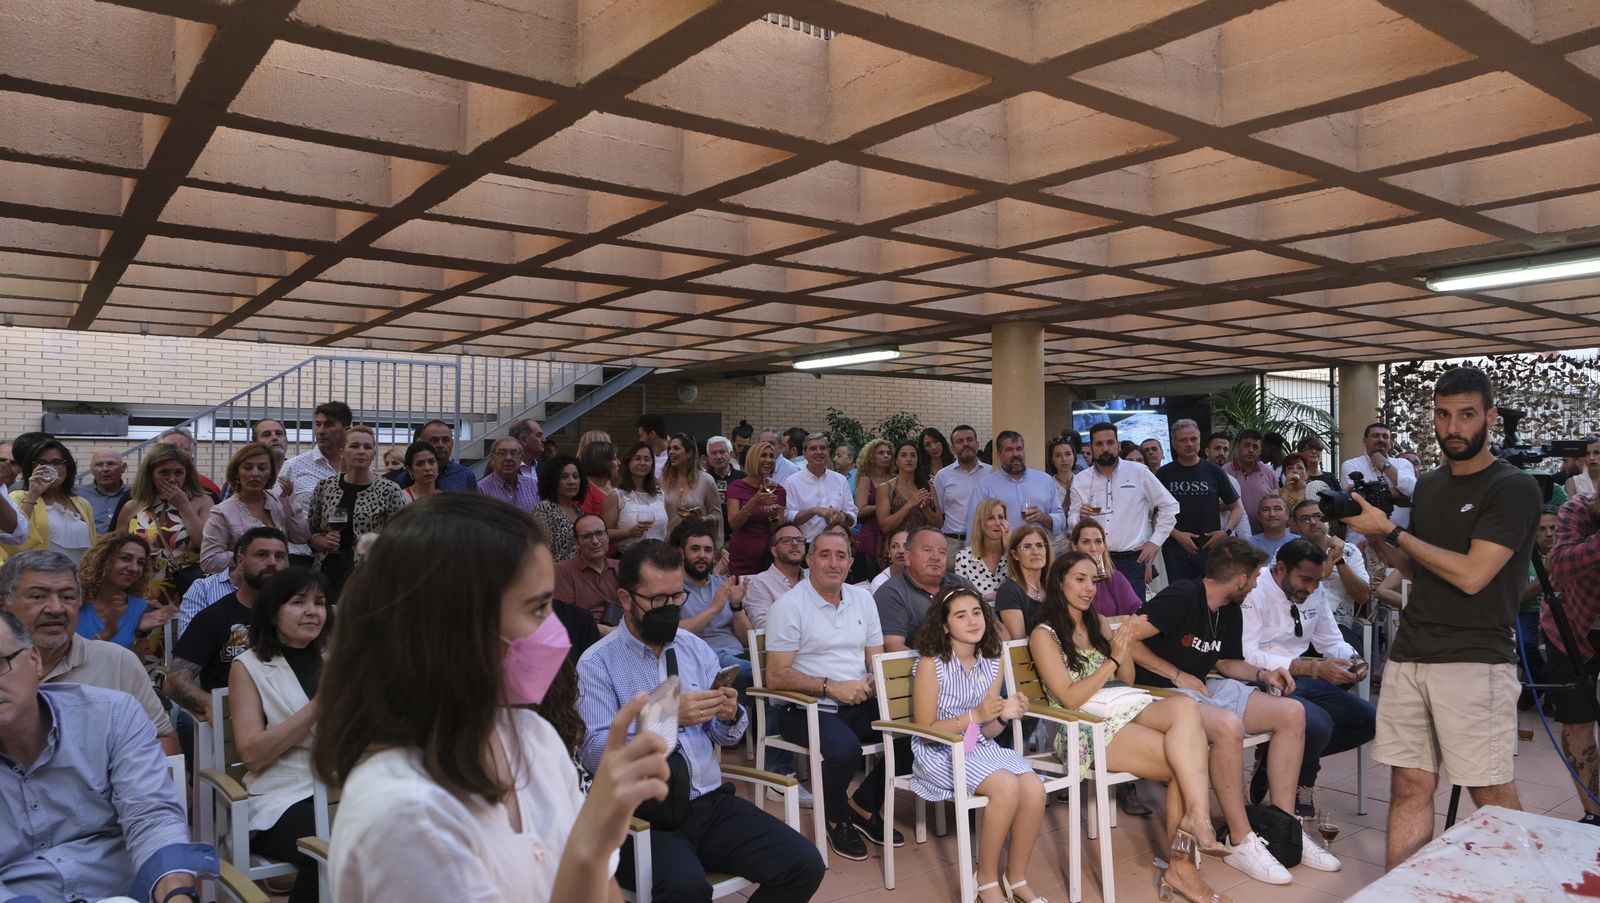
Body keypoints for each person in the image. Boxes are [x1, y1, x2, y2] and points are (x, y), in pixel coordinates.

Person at [315, 493, 673, 901]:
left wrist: (596, 850)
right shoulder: (405, 813)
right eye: (538, 608)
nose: (554, 628)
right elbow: (589, 869)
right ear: (455, 628)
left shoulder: (532, 734)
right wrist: (590, 849)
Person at [1338, 366, 1542, 868]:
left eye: (1466, 415)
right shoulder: (1428, 486)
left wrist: (1395, 530)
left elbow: (1473, 574)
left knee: (1488, 790)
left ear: (1490, 418)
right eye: (1443, 415)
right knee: (1409, 784)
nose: (1453, 427)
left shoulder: (1512, 487)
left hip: (1475, 658)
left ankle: (1528, 887)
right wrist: (1378, 535)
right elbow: (1417, 569)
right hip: (1411, 654)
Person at [575, 539, 824, 900]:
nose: (671, 608)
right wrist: (667, 718)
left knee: (803, 863)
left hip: (708, 803)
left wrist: (729, 713)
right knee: (685, 889)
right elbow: (596, 755)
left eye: (677, 598)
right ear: (626, 599)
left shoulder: (693, 648)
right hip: (640, 818)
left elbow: (726, 735)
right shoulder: (597, 663)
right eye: (658, 600)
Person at [1123, 538, 1338, 883]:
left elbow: (1226, 661)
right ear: (1239, 579)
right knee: (1227, 726)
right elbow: (1128, 636)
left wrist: (1263, 674)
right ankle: (1241, 839)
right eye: (1254, 578)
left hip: (1202, 687)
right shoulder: (1182, 595)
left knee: (1292, 713)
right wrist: (1177, 674)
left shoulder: (1230, 608)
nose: (1256, 584)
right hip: (1159, 693)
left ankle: (1284, 832)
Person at [1031, 552, 1232, 903]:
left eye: (1093, 580)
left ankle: (1197, 822)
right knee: (1185, 767)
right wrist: (1111, 659)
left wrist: (1120, 648)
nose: (1089, 588)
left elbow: (1126, 680)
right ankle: (1183, 866)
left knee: (1185, 707)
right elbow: (1070, 698)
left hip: (1121, 706)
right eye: (1079, 579)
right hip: (1084, 727)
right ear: (1059, 581)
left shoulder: (1096, 623)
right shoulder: (1044, 634)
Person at [0, 611, 207, 903]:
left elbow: (150, 816)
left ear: (34, 660)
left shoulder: (111, 716)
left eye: (0, 663)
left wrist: (176, 894)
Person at [766, 529, 905, 861]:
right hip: (805, 708)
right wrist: (832, 686)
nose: (833, 562)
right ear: (810, 560)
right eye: (824, 554)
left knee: (914, 733)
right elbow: (775, 676)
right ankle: (836, 817)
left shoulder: (863, 599)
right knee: (845, 751)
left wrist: (871, 680)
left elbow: (875, 657)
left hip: (857, 700)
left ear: (850, 562)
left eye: (841, 556)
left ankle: (864, 805)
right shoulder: (789, 606)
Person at [910, 587, 1043, 903]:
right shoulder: (932, 664)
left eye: (976, 612)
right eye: (960, 615)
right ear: (944, 625)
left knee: (1035, 789)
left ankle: (1016, 877)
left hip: (973, 747)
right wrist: (975, 715)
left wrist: (1004, 716)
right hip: (937, 752)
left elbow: (985, 734)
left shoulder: (992, 661)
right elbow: (926, 731)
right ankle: (985, 881)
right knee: (1007, 787)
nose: (972, 620)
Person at [1240, 539, 1377, 817]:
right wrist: (1310, 668)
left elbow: (1330, 640)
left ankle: (1277, 760)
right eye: (1305, 580)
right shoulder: (1255, 590)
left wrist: (1353, 660)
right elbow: (1246, 655)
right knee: (1319, 723)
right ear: (1280, 568)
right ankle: (1304, 779)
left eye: (1317, 581)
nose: (1312, 588)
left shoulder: (1315, 590)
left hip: (1302, 677)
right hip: (1261, 678)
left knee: (1369, 720)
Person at [0, 549, 179, 755]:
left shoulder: (117, 662)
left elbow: (161, 738)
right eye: (38, 596)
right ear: (3, 604)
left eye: (67, 597)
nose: (56, 608)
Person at [229, 567, 330, 903]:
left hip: (342, 787)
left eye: (319, 602)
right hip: (282, 797)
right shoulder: (248, 666)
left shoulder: (337, 661)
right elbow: (252, 754)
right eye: (298, 602)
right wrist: (320, 704)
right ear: (272, 612)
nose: (312, 611)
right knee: (336, 848)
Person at [165, 527, 289, 721]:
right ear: (240, 560)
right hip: (236, 723)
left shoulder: (298, 615)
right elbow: (174, 682)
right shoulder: (214, 617)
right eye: (262, 555)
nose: (272, 562)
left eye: (280, 556)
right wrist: (210, 703)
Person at [1070, 422, 1178, 601]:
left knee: (1133, 619)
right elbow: (1071, 519)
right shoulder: (1081, 480)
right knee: (1095, 618)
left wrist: (1155, 542)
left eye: (1110, 443)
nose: (1105, 448)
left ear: (1118, 445)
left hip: (1131, 561)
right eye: (1099, 444)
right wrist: (1079, 518)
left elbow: (1170, 506)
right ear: (1092, 448)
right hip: (1092, 560)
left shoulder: (1139, 472)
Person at [1546, 491, 1600, 825]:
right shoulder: (1577, 508)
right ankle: (1593, 813)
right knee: (1578, 721)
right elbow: (1560, 563)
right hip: (1570, 627)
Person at [309, 426, 406, 599]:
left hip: (369, 574)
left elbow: (403, 536)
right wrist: (322, 540)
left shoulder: (389, 490)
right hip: (327, 571)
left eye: (367, 447)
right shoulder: (325, 487)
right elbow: (312, 531)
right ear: (342, 451)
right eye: (354, 446)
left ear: (374, 454)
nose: (361, 451)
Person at [123, 443, 211, 610]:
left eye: (179, 473)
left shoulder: (202, 502)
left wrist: (184, 506)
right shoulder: (132, 507)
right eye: (164, 472)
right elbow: (114, 554)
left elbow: (207, 543)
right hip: (143, 591)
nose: (172, 479)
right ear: (150, 475)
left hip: (187, 588)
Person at [202, 441, 311, 574]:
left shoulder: (278, 501)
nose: (255, 473)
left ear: (271, 473)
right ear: (237, 473)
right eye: (248, 467)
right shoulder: (222, 512)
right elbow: (208, 561)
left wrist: (289, 499)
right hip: (243, 587)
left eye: (262, 468)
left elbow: (302, 537)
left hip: (279, 585)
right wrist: (250, 556)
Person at [1158, 419, 1244, 584]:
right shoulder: (1164, 473)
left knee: (1209, 597)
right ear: (1174, 444)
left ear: (1199, 440)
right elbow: (1156, 514)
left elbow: (1237, 507)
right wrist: (1177, 535)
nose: (1189, 444)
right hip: (1175, 549)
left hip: (1209, 550)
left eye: (1194, 439)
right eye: (1183, 440)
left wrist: (1225, 532)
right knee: (1179, 597)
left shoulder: (1215, 471)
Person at [672, 518, 752, 690]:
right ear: (681, 553)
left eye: (708, 550)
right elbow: (673, 633)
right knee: (758, 675)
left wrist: (736, 607)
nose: (702, 555)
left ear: (714, 555)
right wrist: (714, 608)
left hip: (738, 656)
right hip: (701, 658)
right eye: (695, 549)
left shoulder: (723, 583)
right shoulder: (672, 588)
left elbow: (747, 640)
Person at [875, 526, 978, 652]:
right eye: (927, 550)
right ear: (907, 557)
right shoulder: (891, 593)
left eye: (942, 552)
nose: (936, 557)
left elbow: (996, 627)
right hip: (921, 668)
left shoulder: (962, 585)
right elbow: (893, 647)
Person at [4, 439, 96, 565]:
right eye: (41, 463)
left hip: (76, 580)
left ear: (67, 466)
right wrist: (33, 494)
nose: (50, 468)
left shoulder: (82, 504)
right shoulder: (18, 497)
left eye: (57, 462)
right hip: (38, 578)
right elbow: (14, 541)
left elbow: (92, 549)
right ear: (32, 468)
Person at [281, 401, 349, 564]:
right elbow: (277, 512)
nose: (321, 431)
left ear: (346, 429)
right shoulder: (293, 466)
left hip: (344, 557)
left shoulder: (357, 469)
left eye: (329, 425)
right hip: (301, 557)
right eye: (318, 424)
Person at [77, 531, 171, 650]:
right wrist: (106, 634)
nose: (134, 568)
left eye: (140, 563)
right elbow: (65, 659)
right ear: (103, 559)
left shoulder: (139, 607)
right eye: (125, 558)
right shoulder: (76, 600)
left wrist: (140, 634)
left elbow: (136, 666)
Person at [968, 431, 1064, 542]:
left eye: (1019, 449)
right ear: (999, 455)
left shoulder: (1045, 480)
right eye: (1009, 450)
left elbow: (1060, 519)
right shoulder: (986, 485)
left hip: (1038, 551)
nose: (1015, 454)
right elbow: (975, 523)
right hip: (1002, 553)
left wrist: (1044, 517)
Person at [1517, 505, 1560, 706]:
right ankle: (1541, 682)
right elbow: (1521, 597)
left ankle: (1548, 693)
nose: (1549, 534)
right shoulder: (1522, 555)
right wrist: (1547, 572)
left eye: (1553, 528)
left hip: (1562, 611)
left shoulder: (1570, 549)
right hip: (1529, 612)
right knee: (1523, 642)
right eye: (1542, 529)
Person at [1340, 422, 1418, 530]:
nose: (1381, 439)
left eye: (1385, 437)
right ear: (1364, 441)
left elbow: (1413, 490)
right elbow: (1359, 498)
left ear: (1390, 443)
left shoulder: (1403, 463)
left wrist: (1386, 465)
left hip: (1401, 535)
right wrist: (1400, 492)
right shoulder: (1351, 465)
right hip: (1363, 535)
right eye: (1375, 436)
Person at [725, 441, 788, 575]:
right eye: (763, 455)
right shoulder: (736, 487)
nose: (768, 460)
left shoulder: (778, 491)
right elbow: (734, 524)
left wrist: (773, 516)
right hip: (741, 555)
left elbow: (777, 530)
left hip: (768, 557)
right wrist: (754, 501)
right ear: (753, 458)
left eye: (771, 456)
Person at [784, 432, 857, 543]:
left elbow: (852, 514)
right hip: (806, 545)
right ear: (804, 453)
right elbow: (789, 518)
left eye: (823, 448)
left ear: (828, 452)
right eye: (813, 449)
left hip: (837, 544)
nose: (819, 452)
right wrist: (813, 511)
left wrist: (843, 517)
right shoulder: (792, 482)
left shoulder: (840, 480)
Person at [934, 425, 990, 561]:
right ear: (952, 448)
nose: (965, 444)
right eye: (959, 441)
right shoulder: (942, 476)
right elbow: (938, 512)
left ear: (977, 444)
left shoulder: (991, 473)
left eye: (969, 439)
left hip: (984, 542)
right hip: (953, 545)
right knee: (951, 582)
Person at [553, 513, 620, 627]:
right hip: (585, 637)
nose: (595, 541)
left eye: (599, 533)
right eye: (587, 536)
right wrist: (604, 631)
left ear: (607, 537)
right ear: (577, 543)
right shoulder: (563, 570)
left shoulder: (621, 567)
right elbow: (564, 618)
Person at [1070, 519, 1142, 621]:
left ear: (1104, 546)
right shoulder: (1066, 579)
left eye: (1098, 542)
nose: (1093, 548)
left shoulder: (1115, 578)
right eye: (1086, 542)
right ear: (1074, 546)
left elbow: (1138, 614)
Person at [877, 440, 944, 549]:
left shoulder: (928, 488)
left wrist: (926, 508)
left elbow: (938, 524)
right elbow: (884, 526)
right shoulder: (886, 488)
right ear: (896, 461)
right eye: (904, 455)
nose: (909, 459)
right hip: (897, 549)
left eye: (913, 455)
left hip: (922, 548)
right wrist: (909, 504)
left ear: (917, 460)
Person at [606, 441, 668, 553]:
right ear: (628, 461)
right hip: (629, 557)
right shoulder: (617, 496)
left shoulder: (659, 494)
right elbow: (604, 533)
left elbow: (663, 531)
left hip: (658, 558)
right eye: (637, 458)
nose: (643, 463)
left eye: (647, 459)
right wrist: (629, 532)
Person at [993, 523, 1051, 642]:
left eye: (1040, 545)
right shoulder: (1008, 591)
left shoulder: (1053, 586)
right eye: (1027, 547)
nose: (1035, 551)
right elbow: (1019, 641)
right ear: (1015, 555)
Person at [745, 523, 808, 629]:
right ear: (774, 551)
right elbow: (763, 627)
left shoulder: (814, 576)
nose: (795, 543)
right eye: (786, 540)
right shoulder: (760, 583)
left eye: (799, 540)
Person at [661, 433, 724, 541]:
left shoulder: (706, 480)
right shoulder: (664, 479)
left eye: (676, 448)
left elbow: (717, 516)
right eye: (670, 448)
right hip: (669, 544)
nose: (671, 452)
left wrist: (701, 519)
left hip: (696, 542)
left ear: (689, 453)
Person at [387, 420, 478, 492]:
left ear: (452, 443)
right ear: (422, 442)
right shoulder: (404, 479)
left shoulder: (465, 476)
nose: (440, 445)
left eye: (446, 440)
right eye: (434, 440)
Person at [530, 454, 587, 563]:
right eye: (564, 477)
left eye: (575, 476)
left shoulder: (579, 512)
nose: (571, 482)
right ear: (553, 481)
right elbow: (539, 553)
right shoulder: (544, 510)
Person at [954, 498, 1008, 601]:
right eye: (990, 518)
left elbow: (1024, 588)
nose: (997, 523)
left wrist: (1010, 548)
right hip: (979, 614)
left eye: (1001, 517)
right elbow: (962, 598)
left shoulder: (1015, 554)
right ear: (981, 523)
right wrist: (988, 598)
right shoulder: (963, 557)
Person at [853, 439, 894, 568]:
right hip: (870, 532)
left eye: (888, 453)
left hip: (891, 532)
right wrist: (883, 507)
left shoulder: (894, 479)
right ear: (871, 457)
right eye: (881, 453)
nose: (886, 456)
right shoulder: (866, 479)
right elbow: (859, 510)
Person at [155, 427, 224, 501]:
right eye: (171, 448)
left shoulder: (208, 489)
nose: (177, 454)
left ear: (191, 456)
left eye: (184, 449)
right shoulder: (146, 487)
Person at [478, 437, 541, 511]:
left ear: (521, 458)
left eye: (514, 453)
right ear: (492, 459)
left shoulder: (534, 487)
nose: (508, 458)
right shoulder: (480, 490)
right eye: (502, 453)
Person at [85, 448, 131, 534]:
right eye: (99, 465)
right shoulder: (77, 496)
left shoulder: (135, 496)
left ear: (123, 467)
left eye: (111, 464)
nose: (105, 469)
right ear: (91, 469)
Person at [578, 438, 618, 518]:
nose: (618, 462)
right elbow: (585, 524)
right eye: (614, 458)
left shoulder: (610, 483)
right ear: (602, 462)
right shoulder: (585, 490)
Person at [1247, 495, 1295, 560]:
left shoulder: (1299, 543)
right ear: (1259, 517)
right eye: (1266, 509)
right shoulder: (1248, 545)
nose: (1272, 514)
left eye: (1277, 509)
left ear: (1287, 514)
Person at [869, 528, 910, 593]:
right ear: (889, 551)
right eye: (895, 546)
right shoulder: (879, 583)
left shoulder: (924, 579)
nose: (901, 551)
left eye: (906, 545)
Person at [636, 413, 671, 478]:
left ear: (652, 434)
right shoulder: (644, 457)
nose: (640, 440)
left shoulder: (673, 459)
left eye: (641, 436)